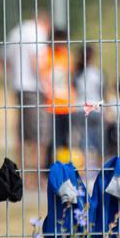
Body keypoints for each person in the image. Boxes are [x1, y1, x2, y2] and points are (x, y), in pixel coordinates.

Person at [2, 12, 51, 185]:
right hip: (35, 88)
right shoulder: (38, 33)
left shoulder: (16, 31)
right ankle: (36, 176)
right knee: (41, 134)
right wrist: (47, 86)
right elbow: (35, 60)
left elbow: (4, 60)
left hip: (18, 87)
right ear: (45, 22)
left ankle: (20, 172)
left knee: (22, 133)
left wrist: (12, 77)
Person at [39, 28, 76, 179]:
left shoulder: (68, 56)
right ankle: (48, 170)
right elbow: (42, 77)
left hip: (67, 104)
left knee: (67, 139)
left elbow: (70, 77)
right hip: (51, 105)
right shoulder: (46, 56)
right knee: (51, 140)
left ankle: (65, 169)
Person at [73, 44, 106, 161]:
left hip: (80, 109)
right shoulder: (98, 73)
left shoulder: (77, 73)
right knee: (99, 142)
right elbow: (103, 93)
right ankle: (98, 168)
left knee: (83, 140)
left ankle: (84, 169)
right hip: (96, 109)